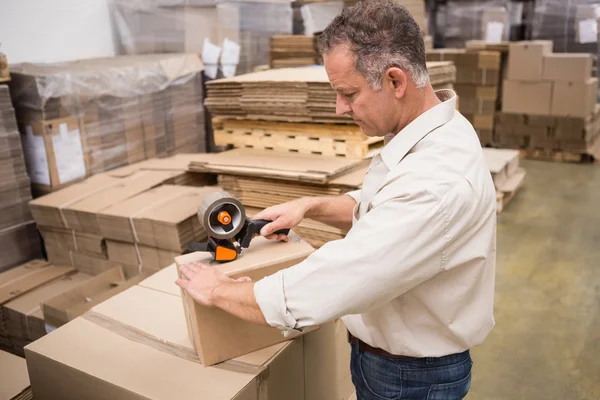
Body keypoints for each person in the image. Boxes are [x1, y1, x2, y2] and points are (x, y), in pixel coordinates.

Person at [176, 1, 497, 398]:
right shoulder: (436, 130)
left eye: (348, 93)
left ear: (396, 81)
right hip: (396, 361)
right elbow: (385, 207)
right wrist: (310, 207)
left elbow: (332, 282)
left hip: (411, 378)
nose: (339, 107)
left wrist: (218, 290)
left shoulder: (435, 183)